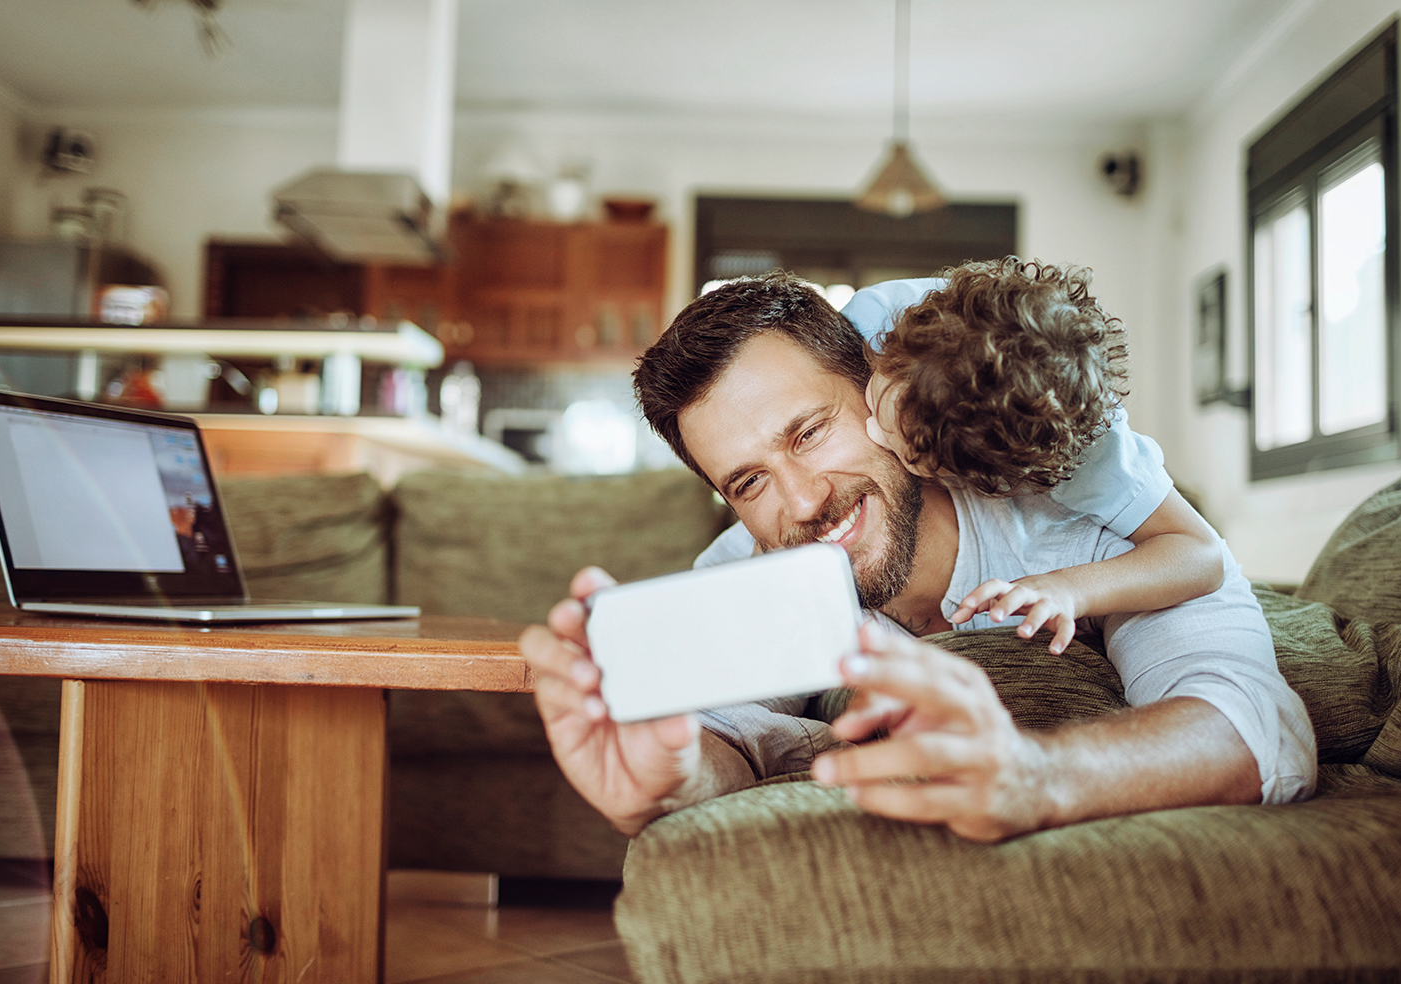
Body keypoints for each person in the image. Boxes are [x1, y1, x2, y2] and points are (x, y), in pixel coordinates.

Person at [518, 271, 1315, 843]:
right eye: (750, 480)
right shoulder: (749, 569)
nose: (800, 502)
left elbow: (1246, 725)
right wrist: (670, 781)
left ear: (879, 388)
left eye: (808, 432)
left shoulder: (1074, 511)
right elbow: (711, 735)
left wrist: (1035, 777)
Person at [712, 258, 1226, 654]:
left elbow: (1201, 556)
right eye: (877, 398)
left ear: (972, 483)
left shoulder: (1091, 465)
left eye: (901, 447)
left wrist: (1069, 590)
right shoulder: (868, 324)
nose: (871, 429)